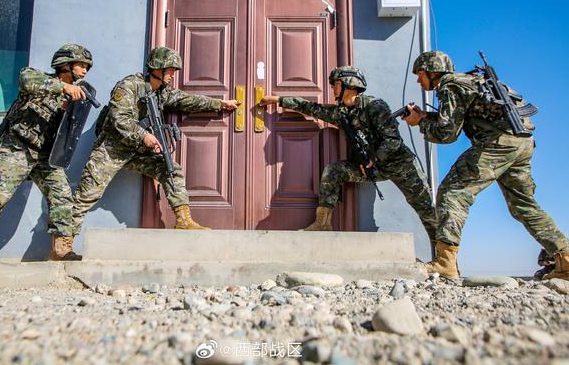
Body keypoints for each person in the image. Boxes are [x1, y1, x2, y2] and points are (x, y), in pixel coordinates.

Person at [404, 50, 569, 280]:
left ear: (433, 72)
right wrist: (425, 118)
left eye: (420, 74)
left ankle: (445, 262)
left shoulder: (450, 85)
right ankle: (565, 259)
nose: (418, 80)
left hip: (498, 143)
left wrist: (419, 122)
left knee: (453, 192)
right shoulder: (469, 81)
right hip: (522, 143)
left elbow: (446, 133)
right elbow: (456, 121)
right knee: (523, 205)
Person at [260, 66, 437, 245]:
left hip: (401, 166)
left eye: (336, 84)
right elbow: (310, 108)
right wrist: (279, 100)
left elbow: (393, 141)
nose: (333, 89)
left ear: (350, 85)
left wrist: (372, 159)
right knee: (333, 171)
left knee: (427, 210)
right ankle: (322, 224)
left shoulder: (375, 106)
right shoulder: (341, 113)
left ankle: (445, 258)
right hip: (372, 168)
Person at [71, 46, 238, 230]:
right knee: (87, 193)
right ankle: (63, 243)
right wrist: (144, 135)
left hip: (138, 152)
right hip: (112, 150)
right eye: (171, 69)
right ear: (158, 68)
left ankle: (183, 220)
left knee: (170, 169)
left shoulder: (161, 92)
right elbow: (119, 118)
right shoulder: (129, 86)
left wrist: (220, 103)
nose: (173, 74)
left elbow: (185, 100)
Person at [0, 44, 92, 262]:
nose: (84, 71)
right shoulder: (35, 77)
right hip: (17, 148)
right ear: (65, 64)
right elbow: (26, 82)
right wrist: (62, 88)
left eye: (87, 67)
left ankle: (61, 248)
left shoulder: (75, 97)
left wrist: (70, 107)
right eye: (81, 65)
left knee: (62, 197)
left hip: (47, 155)